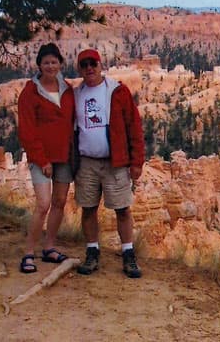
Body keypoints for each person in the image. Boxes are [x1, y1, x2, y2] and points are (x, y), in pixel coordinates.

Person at [73, 48, 145, 278]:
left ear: (100, 64)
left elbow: (133, 126)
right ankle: (92, 252)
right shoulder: (75, 94)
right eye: (84, 65)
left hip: (115, 162)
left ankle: (128, 254)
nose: (89, 68)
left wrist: (136, 162)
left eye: (92, 63)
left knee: (122, 209)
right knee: (88, 209)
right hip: (86, 162)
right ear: (80, 69)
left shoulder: (117, 91)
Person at [17, 43, 75, 273]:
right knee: (43, 204)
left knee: (59, 203)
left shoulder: (67, 89)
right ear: (39, 65)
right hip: (42, 157)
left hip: (65, 155)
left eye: (54, 62)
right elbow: (27, 131)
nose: (51, 66)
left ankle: (49, 246)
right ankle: (28, 252)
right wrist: (42, 160)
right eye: (46, 62)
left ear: (60, 63)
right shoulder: (30, 92)